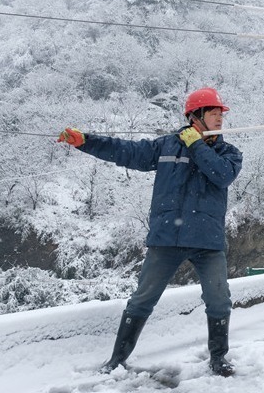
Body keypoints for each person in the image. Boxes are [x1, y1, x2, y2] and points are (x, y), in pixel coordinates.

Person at [57, 87, 242, 377]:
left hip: (208, 242)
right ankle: (116, 360)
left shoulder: (228, 153)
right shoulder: (166, 146)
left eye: (221, 113)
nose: (220, 117)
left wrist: (197, 145)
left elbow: (222, 175)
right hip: (167, 239)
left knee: (219, 299)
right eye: (213, 112)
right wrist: (85, 141)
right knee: (143, 299)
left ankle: (218, 359)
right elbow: (126, 151)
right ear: (196, 116)